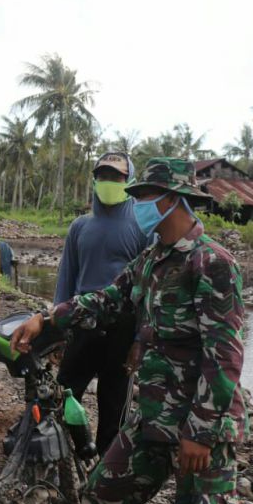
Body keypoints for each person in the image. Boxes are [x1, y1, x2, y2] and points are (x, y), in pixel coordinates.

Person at [10, 158, 246, 504]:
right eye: (134, 197)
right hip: (155, 417)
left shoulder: (211, 263)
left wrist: (201, 433)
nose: (136, 205)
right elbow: (107, 298)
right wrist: (47, 318)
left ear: (173, 200)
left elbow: (224, 356)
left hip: (201, 426)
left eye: (145, 197)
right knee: (99, 503)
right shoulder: (153, 259)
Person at [54, 151, 148, 455]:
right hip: (82, 321)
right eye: (103, 176)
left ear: (129, 180)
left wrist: (139, 338)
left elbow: (148, 286)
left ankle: (106, 470)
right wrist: (56, 327)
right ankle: (73, 452)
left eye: (116, 177)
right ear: (95, 180)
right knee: (64, 393)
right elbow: (66, 279)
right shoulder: (80, 226)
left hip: (123, 327)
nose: (109, 182)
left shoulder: (142, 225)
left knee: (114, 401)